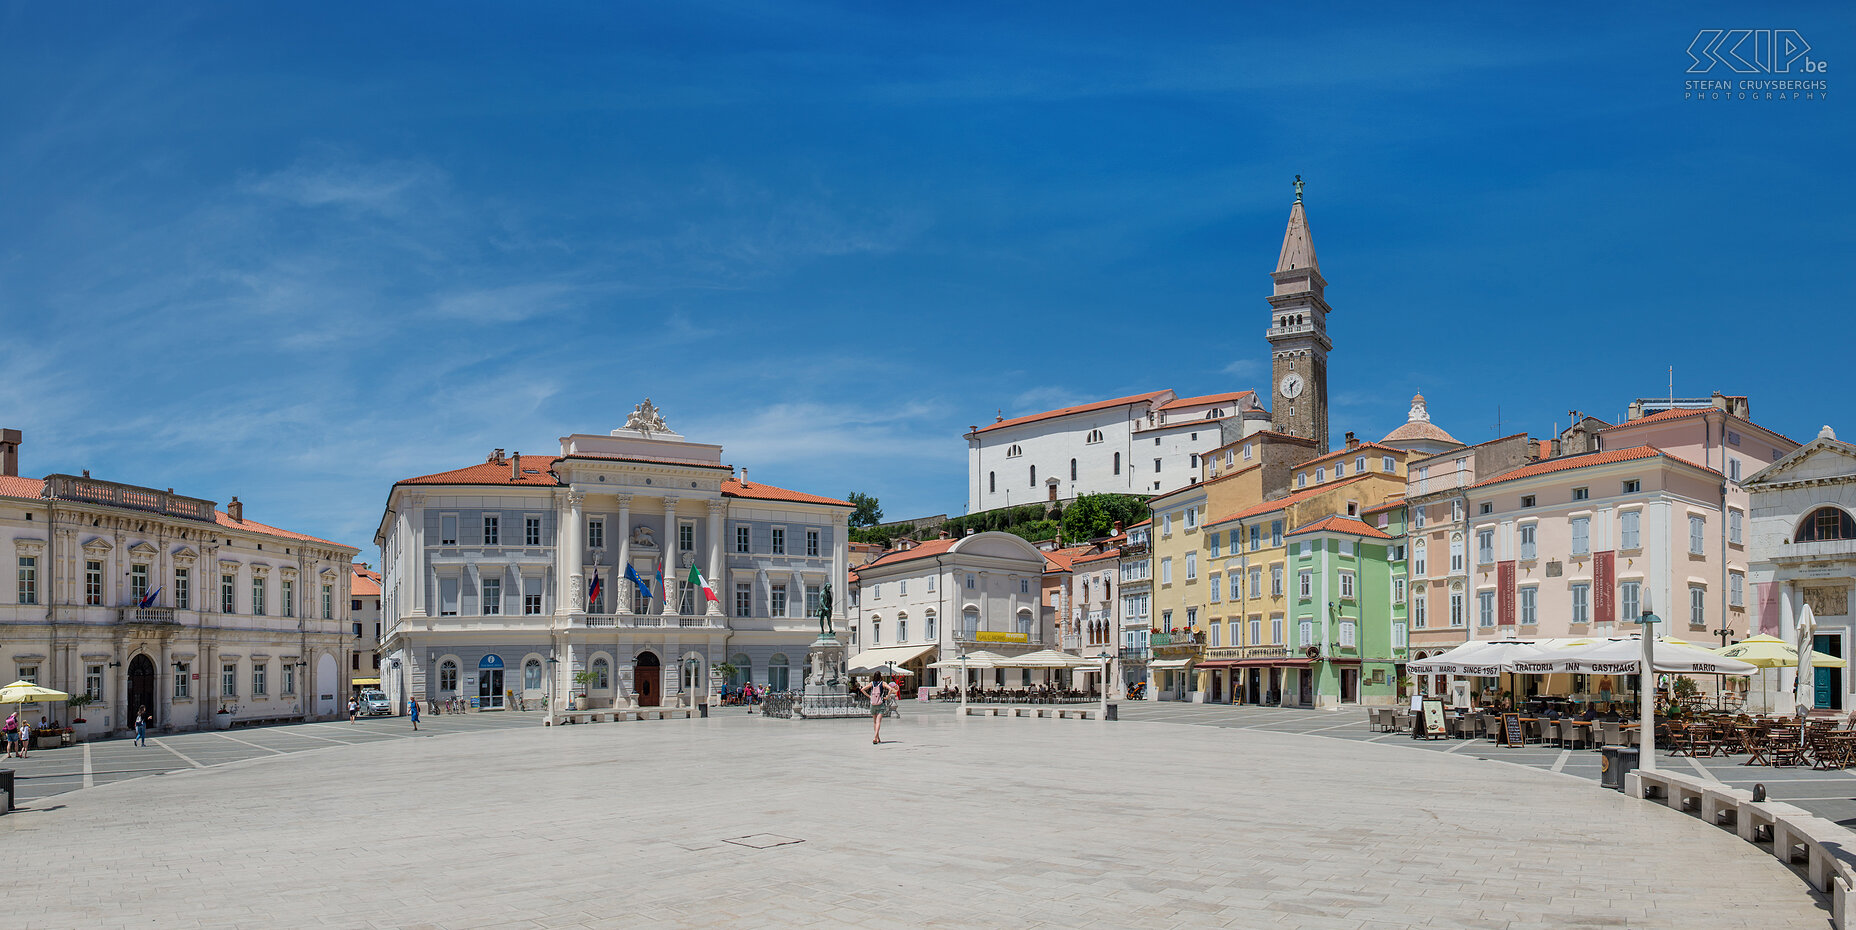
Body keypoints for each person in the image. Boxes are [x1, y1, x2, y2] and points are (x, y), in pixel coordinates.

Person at [859, 675, 889, 744]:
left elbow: (862, 689)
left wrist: (869, 696)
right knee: (878, 722)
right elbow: (890, 689)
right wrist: (887, 697)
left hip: (873, 704)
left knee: (875, 722)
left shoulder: (871, 683)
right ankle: (875, 737)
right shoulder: (883, 683)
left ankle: (878, 738)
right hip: (880, 704)